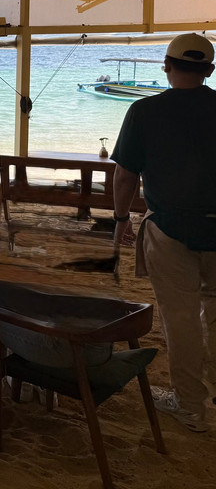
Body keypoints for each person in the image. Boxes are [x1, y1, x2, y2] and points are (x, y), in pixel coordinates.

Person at [112, 32, 216, 433]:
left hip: (170, 227)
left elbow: (125, 175)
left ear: (167, 66)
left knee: (181, 318)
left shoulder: (144, 111)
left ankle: (191, 407)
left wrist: (121, 219)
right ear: (209, 71)